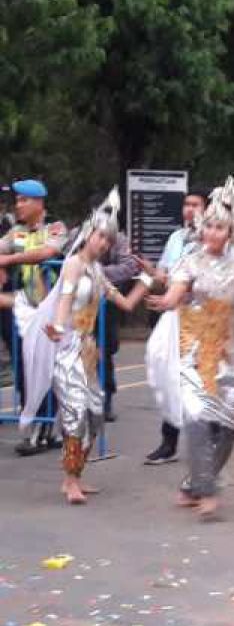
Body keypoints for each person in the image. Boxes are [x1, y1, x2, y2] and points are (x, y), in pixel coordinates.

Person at [146, 177, 234, 518]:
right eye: (209, 226)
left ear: (231, 232)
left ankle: (195, 482)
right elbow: (178, 290)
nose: (213, 233)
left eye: (221, 227)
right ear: (202, 228)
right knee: (197, 419)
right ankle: (207, 492)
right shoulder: (190, 262)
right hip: (192, 353)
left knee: (229, 425)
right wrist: (167, 300)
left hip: (224, 358)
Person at [12, 189, 151, 504]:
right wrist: (58, 327)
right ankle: (70, 480)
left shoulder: (98, 272)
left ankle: (76, 473)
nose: (103, 243)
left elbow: (127, 304)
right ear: (89, 233)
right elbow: (64, 299)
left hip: (87, 352)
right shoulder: (73, 265)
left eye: (108, 240)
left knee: (96, 416)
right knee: (75, 415)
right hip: (68, 348)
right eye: (100, 236)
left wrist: (147, 281)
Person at [0, 179, 69, 455]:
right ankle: (37, 425)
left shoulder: (55, 227)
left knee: (47, 370)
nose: (18, 205)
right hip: (26, 309)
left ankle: (46, 429)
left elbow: (48, 252)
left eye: (23, 200)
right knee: (24, 369)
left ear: (39, 202)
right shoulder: (15, 232)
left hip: (52, 310)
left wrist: (8, 261)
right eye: (17, 200)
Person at [144, 187, 207, 464]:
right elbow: (166, 277)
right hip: (175, 317)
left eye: (195, 205)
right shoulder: (176, 238)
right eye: (186, 204)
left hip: (202, 319)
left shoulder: (212, 241)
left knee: (197, 382)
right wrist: (151, 272)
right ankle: (168, 442)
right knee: (170, 374)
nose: (189, 210)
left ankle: (204, 442)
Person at [74, 192, 141, 424]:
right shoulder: (78, 236)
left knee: (105, 349)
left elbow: (129, 266)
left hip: (106, 302)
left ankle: (106, 397)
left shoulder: (120, 239)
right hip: (78, 303)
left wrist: (98, 274)